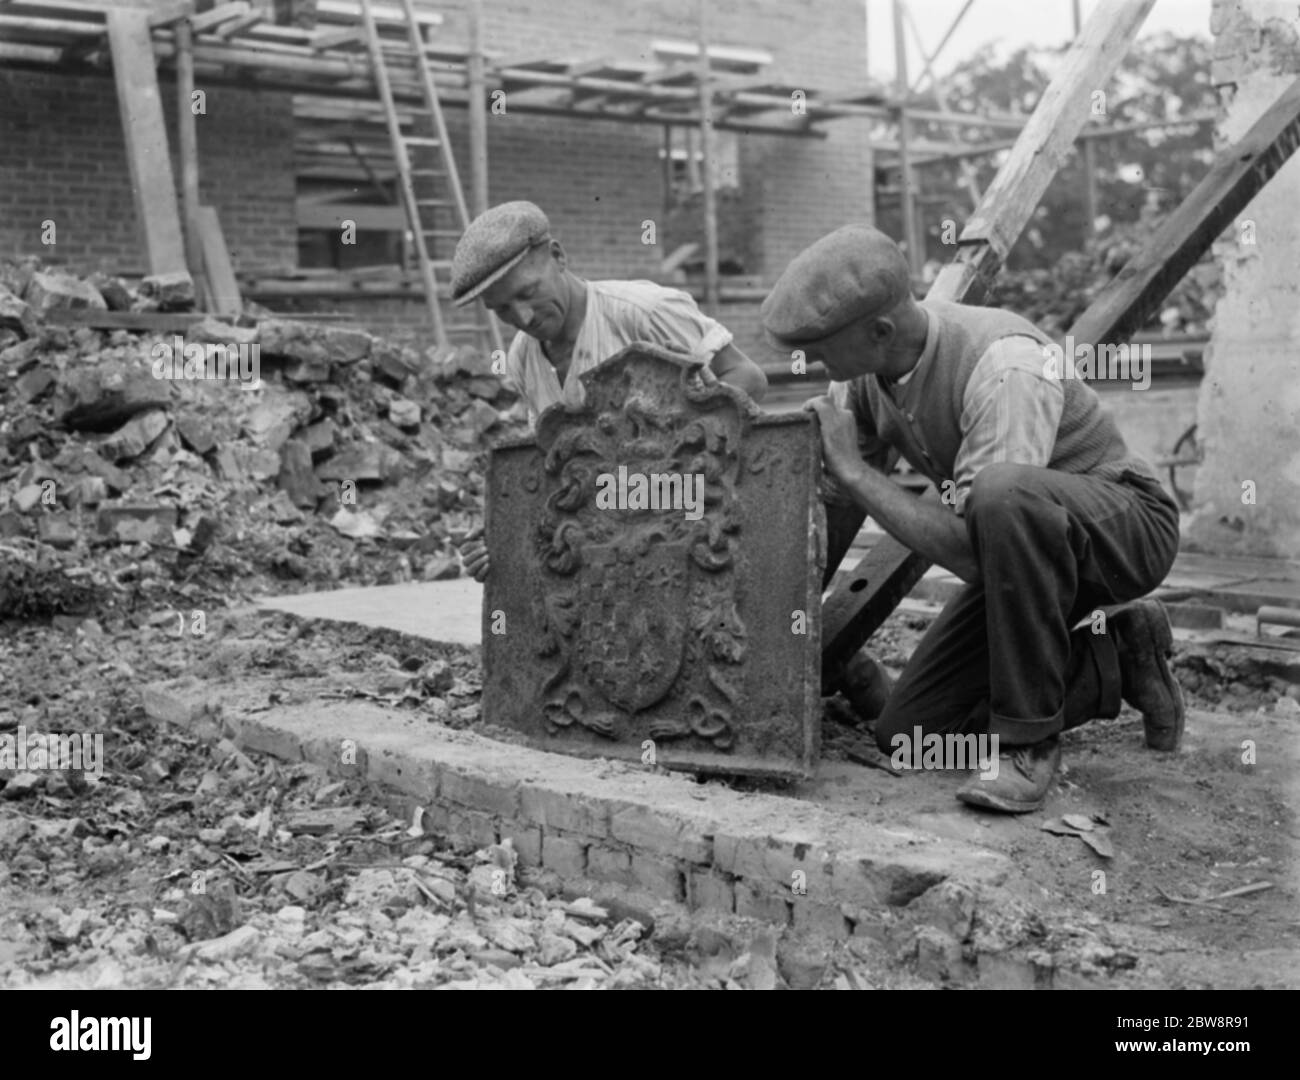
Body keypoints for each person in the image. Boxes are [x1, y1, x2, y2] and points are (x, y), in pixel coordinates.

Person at [762, 223, 1184, 813]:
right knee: (911, 740)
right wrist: (784, 634)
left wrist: (859, 473)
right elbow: (835, 502)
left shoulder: (1004, 366)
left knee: (1000, 492)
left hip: (1124, 532)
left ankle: (1029, 744)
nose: (815, 364)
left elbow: (975, 550)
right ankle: (1117, 655)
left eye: (822, 350)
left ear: (880, 331)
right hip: (1026, 559)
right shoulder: (868, 374)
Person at [451, 200, 767, 582]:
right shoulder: (522, 355)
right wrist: (499, 535)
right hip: (611, 534)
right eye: (501, 309)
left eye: (528, 292)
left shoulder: (641, 312)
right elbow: (552, 464)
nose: (524, 317)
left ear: (557, 256)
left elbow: (747, 376)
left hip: (692, 505)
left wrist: (664, 468)